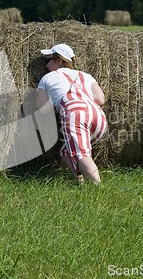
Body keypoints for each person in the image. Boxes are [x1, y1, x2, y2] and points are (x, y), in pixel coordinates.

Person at [36, 43, 108, 184]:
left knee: (81, 154)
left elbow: (42, 108)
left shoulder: (48, 78)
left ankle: (99, 189)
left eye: (48, 60)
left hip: (74, 113)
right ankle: (80, 182)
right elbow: (100, 99)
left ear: (59, 61)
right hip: (97, 115)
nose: (45, 66)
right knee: (66, 151)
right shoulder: (85, 75)